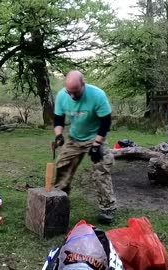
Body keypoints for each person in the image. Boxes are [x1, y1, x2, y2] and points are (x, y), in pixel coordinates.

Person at [52, 70, 116, 224]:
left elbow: (105, 123)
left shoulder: (97, 95)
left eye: (76, 92)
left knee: (101, 168)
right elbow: (58, 119)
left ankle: (107, 208)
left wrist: (96, 145)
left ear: (83, 84)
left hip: (95, 137)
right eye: (70, 92)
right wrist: (59, 135)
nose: (72, 96)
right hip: (74, 138)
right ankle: (59, 201)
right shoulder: (62, 96)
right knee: (62, 166)